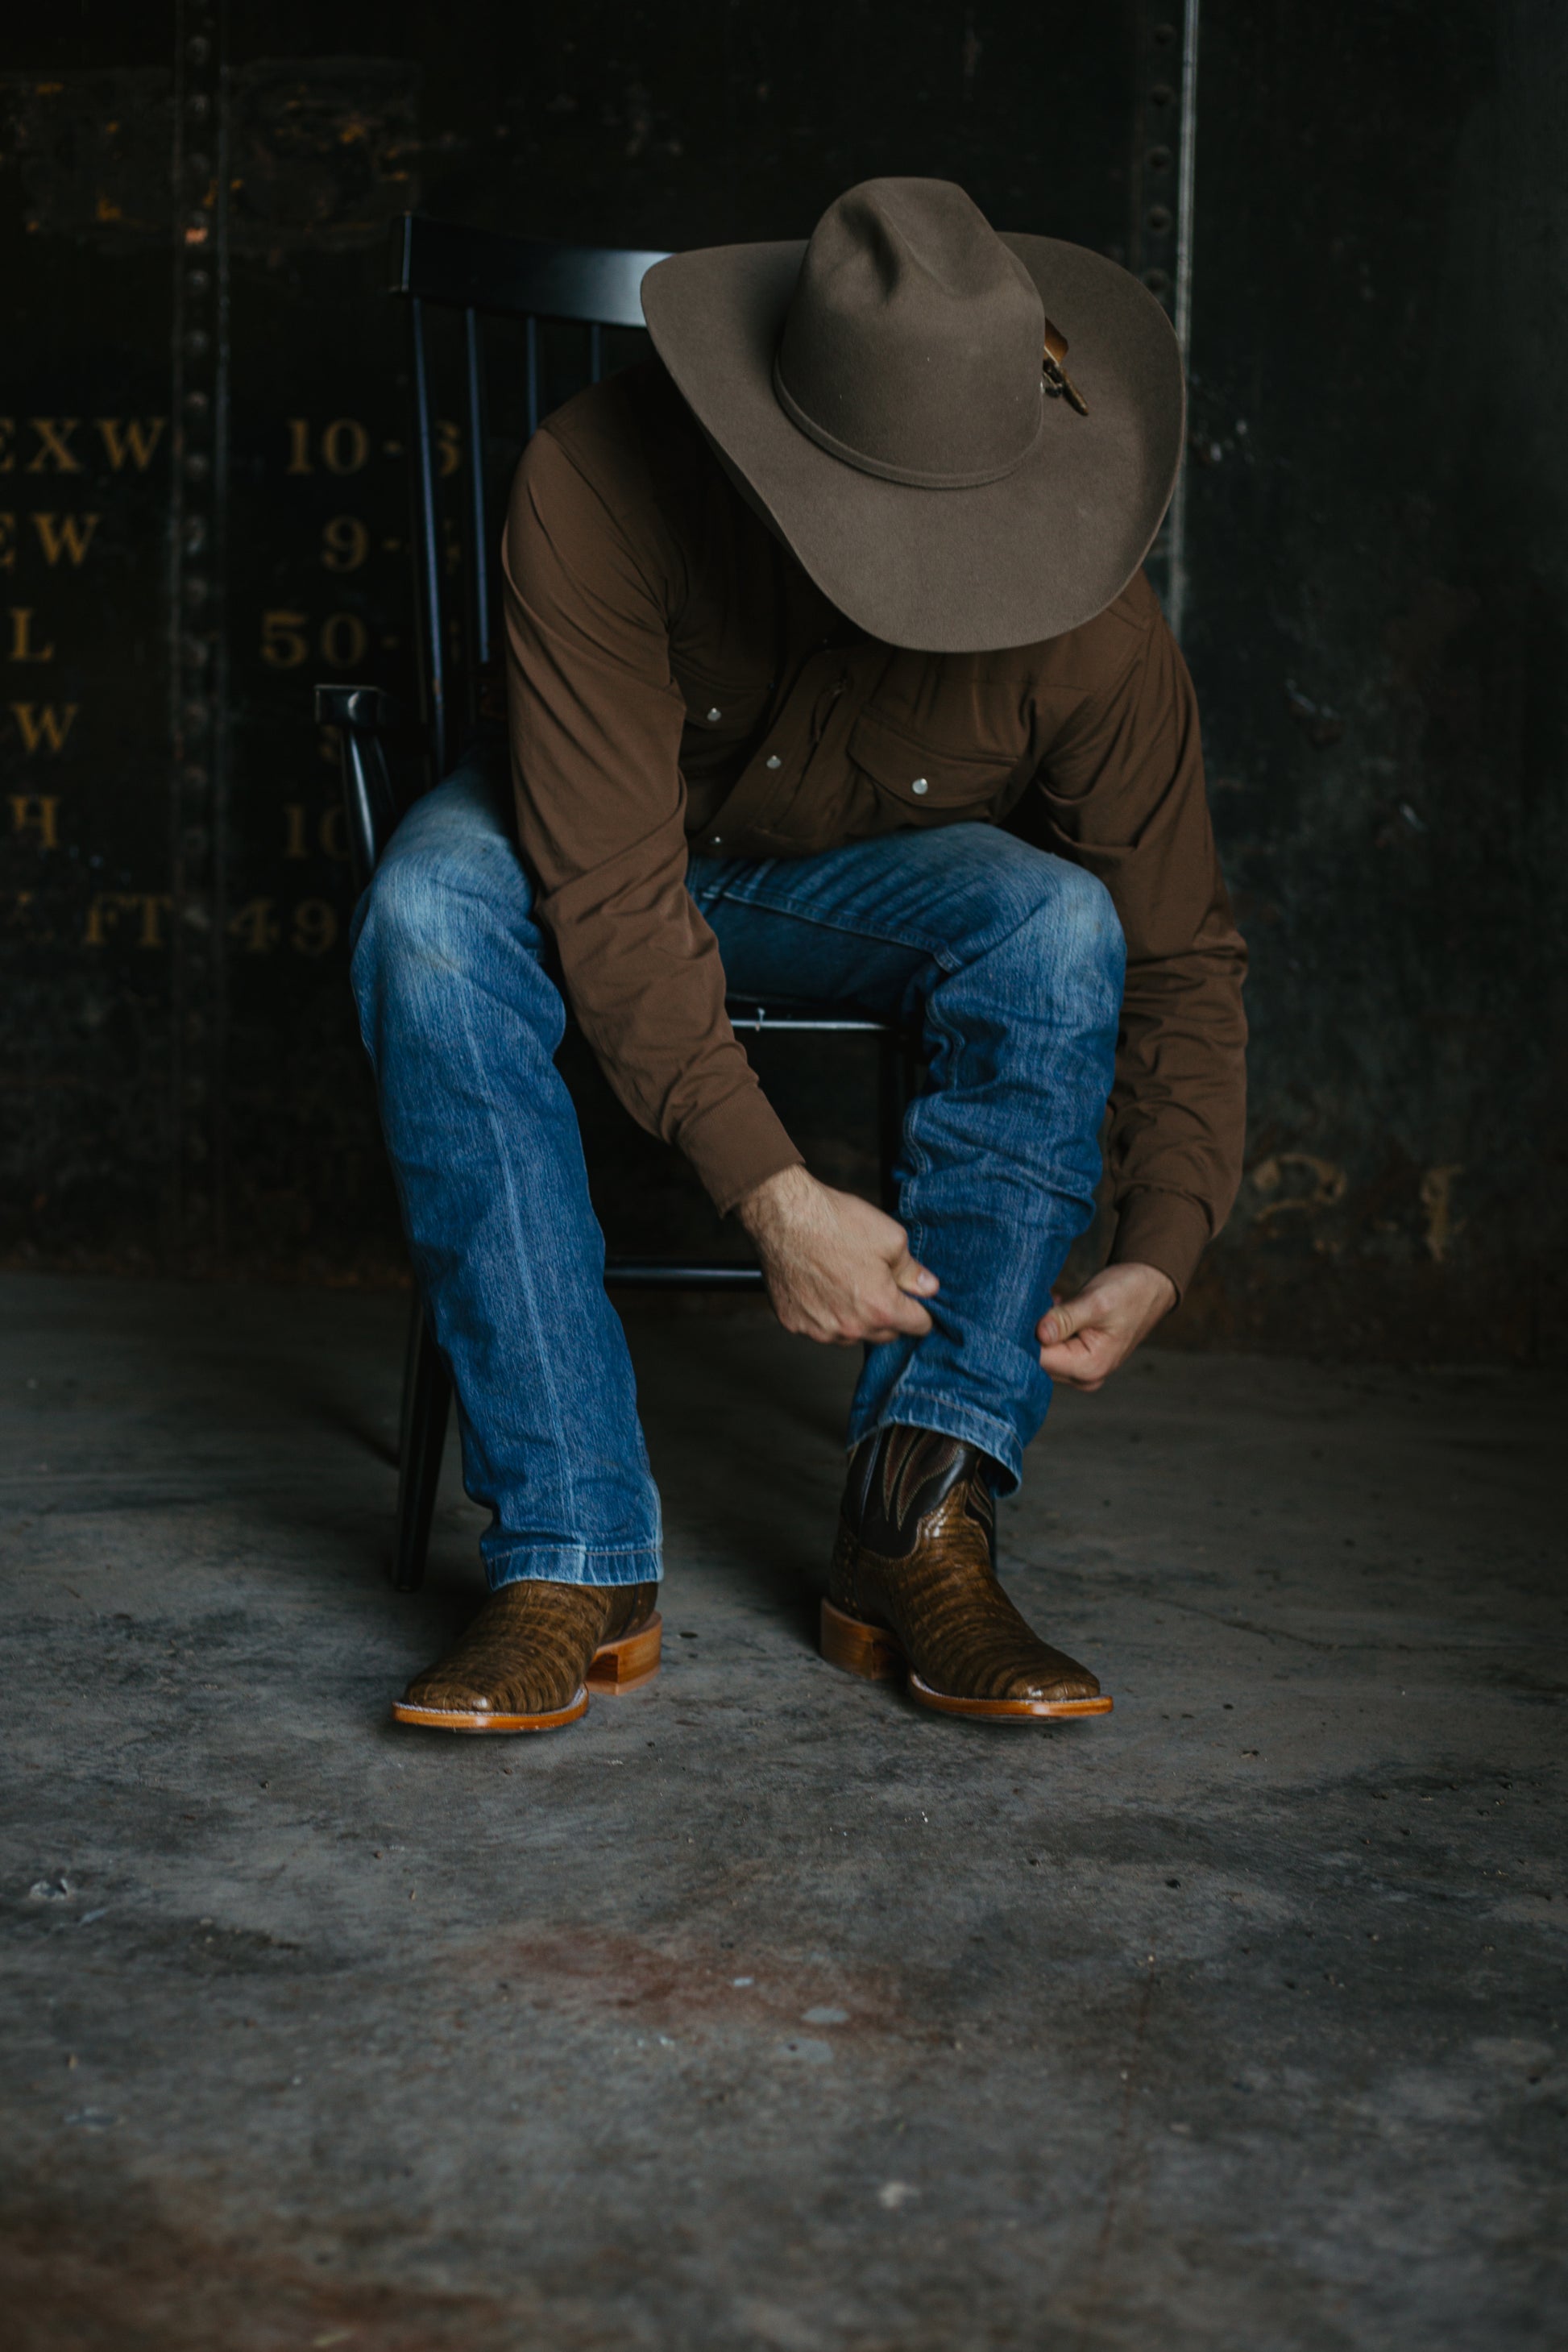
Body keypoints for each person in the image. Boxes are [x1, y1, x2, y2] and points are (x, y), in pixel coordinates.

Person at [351, 177, 1247, 1734]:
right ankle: (572, 1554)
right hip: (592, 846)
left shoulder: (1093, 621)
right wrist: (774, 1193)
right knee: (426, 914)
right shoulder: (598, 475)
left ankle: (919, 1517)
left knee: (1058, 925)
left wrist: (1167, 1232)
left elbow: (1177, 947)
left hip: (841, 881)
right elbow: (612, 893)